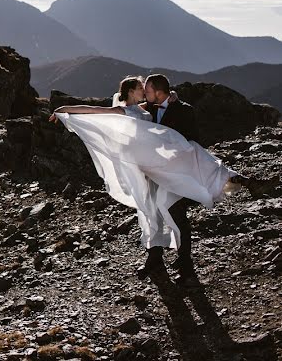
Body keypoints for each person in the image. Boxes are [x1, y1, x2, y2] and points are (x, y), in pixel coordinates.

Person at [49, 74, 277, 283]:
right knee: (150, 212)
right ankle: (156, 260)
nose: (145, 92)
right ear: (132, 91)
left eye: (146, 88)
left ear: (157, 91)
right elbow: (96, 111)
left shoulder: (164, 108)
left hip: (172, 166)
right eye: (141, 88)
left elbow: (187, 132)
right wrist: (65, 109)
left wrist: (173, 106)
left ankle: (184, 265)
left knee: (178, 203)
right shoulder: (135, 109)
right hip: (150, 169)